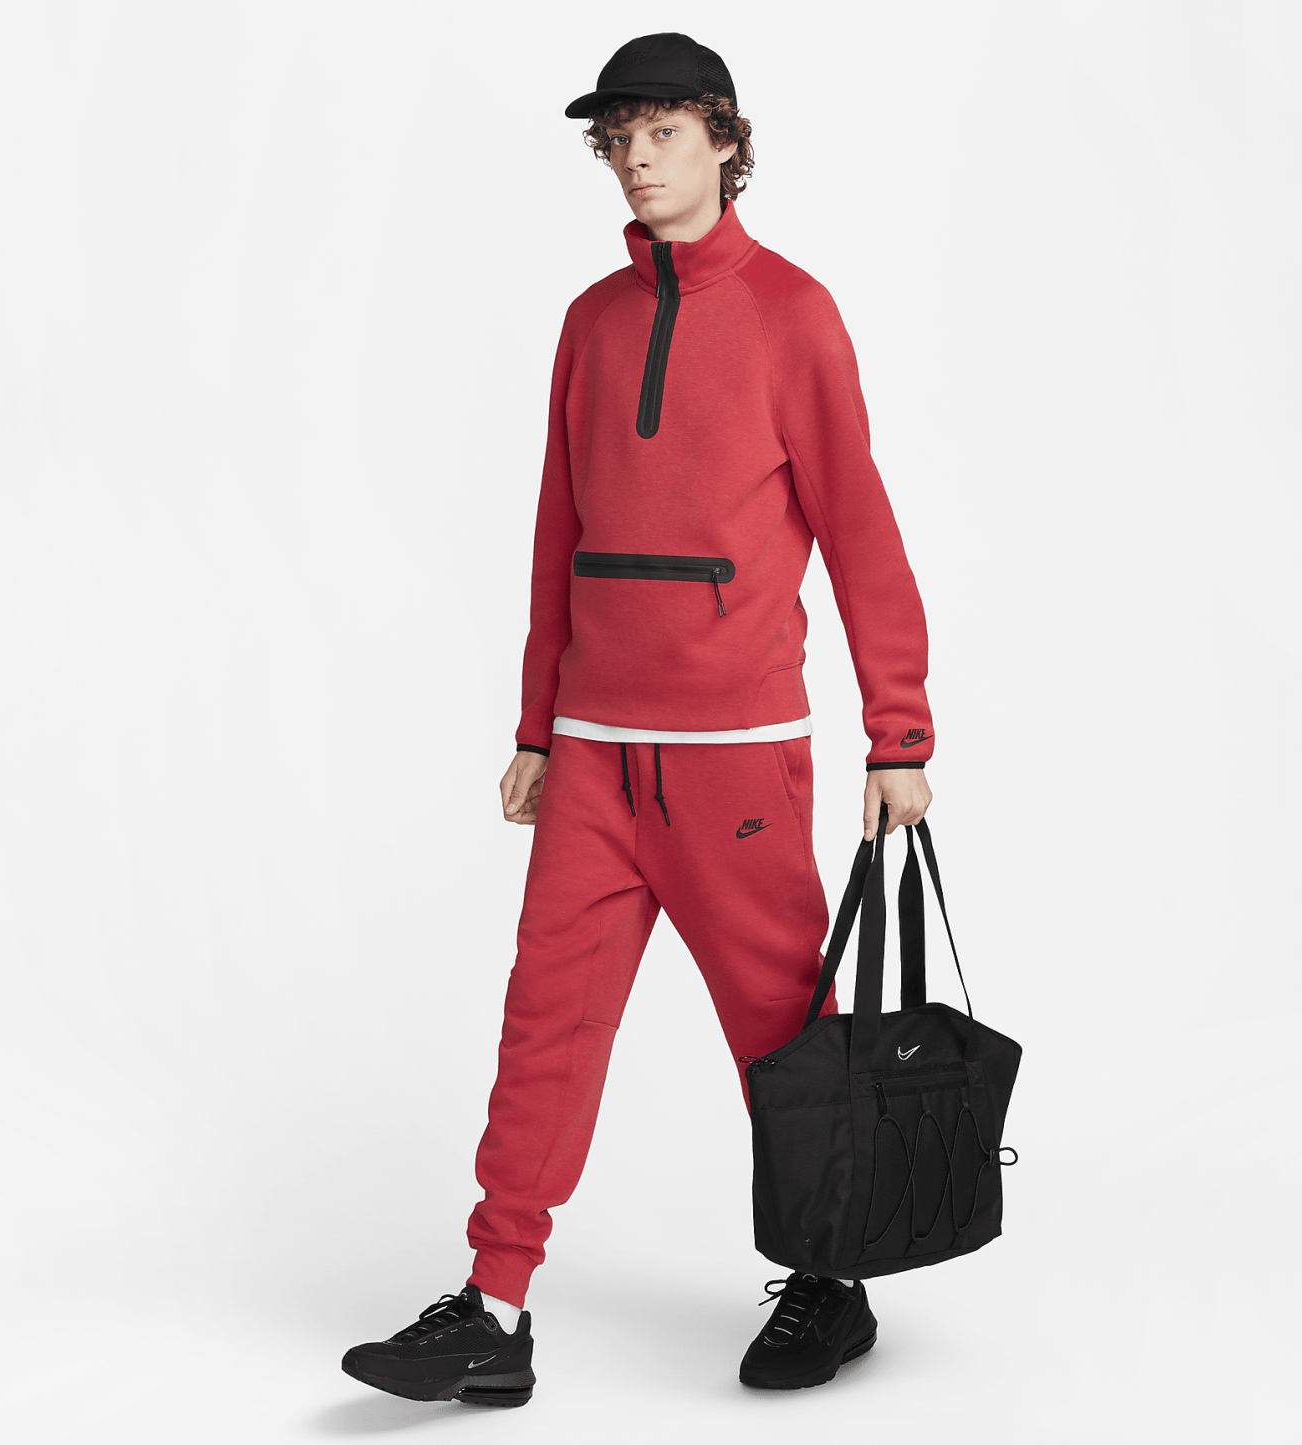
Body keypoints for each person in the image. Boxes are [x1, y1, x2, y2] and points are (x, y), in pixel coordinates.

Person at [342, 32, 934, 1408]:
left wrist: (898, 734)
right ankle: (494, 1307)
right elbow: (561, 529)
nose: (636, 158)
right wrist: (537, 725)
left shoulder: (794, 314)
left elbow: (860, 528)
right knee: (543, 1026)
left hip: (736, 764)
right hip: (597, 754)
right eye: (618, 138)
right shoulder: (591, 322)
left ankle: (831, 1278)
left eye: (663, 131)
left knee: (782, 1039)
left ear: (726, 139)